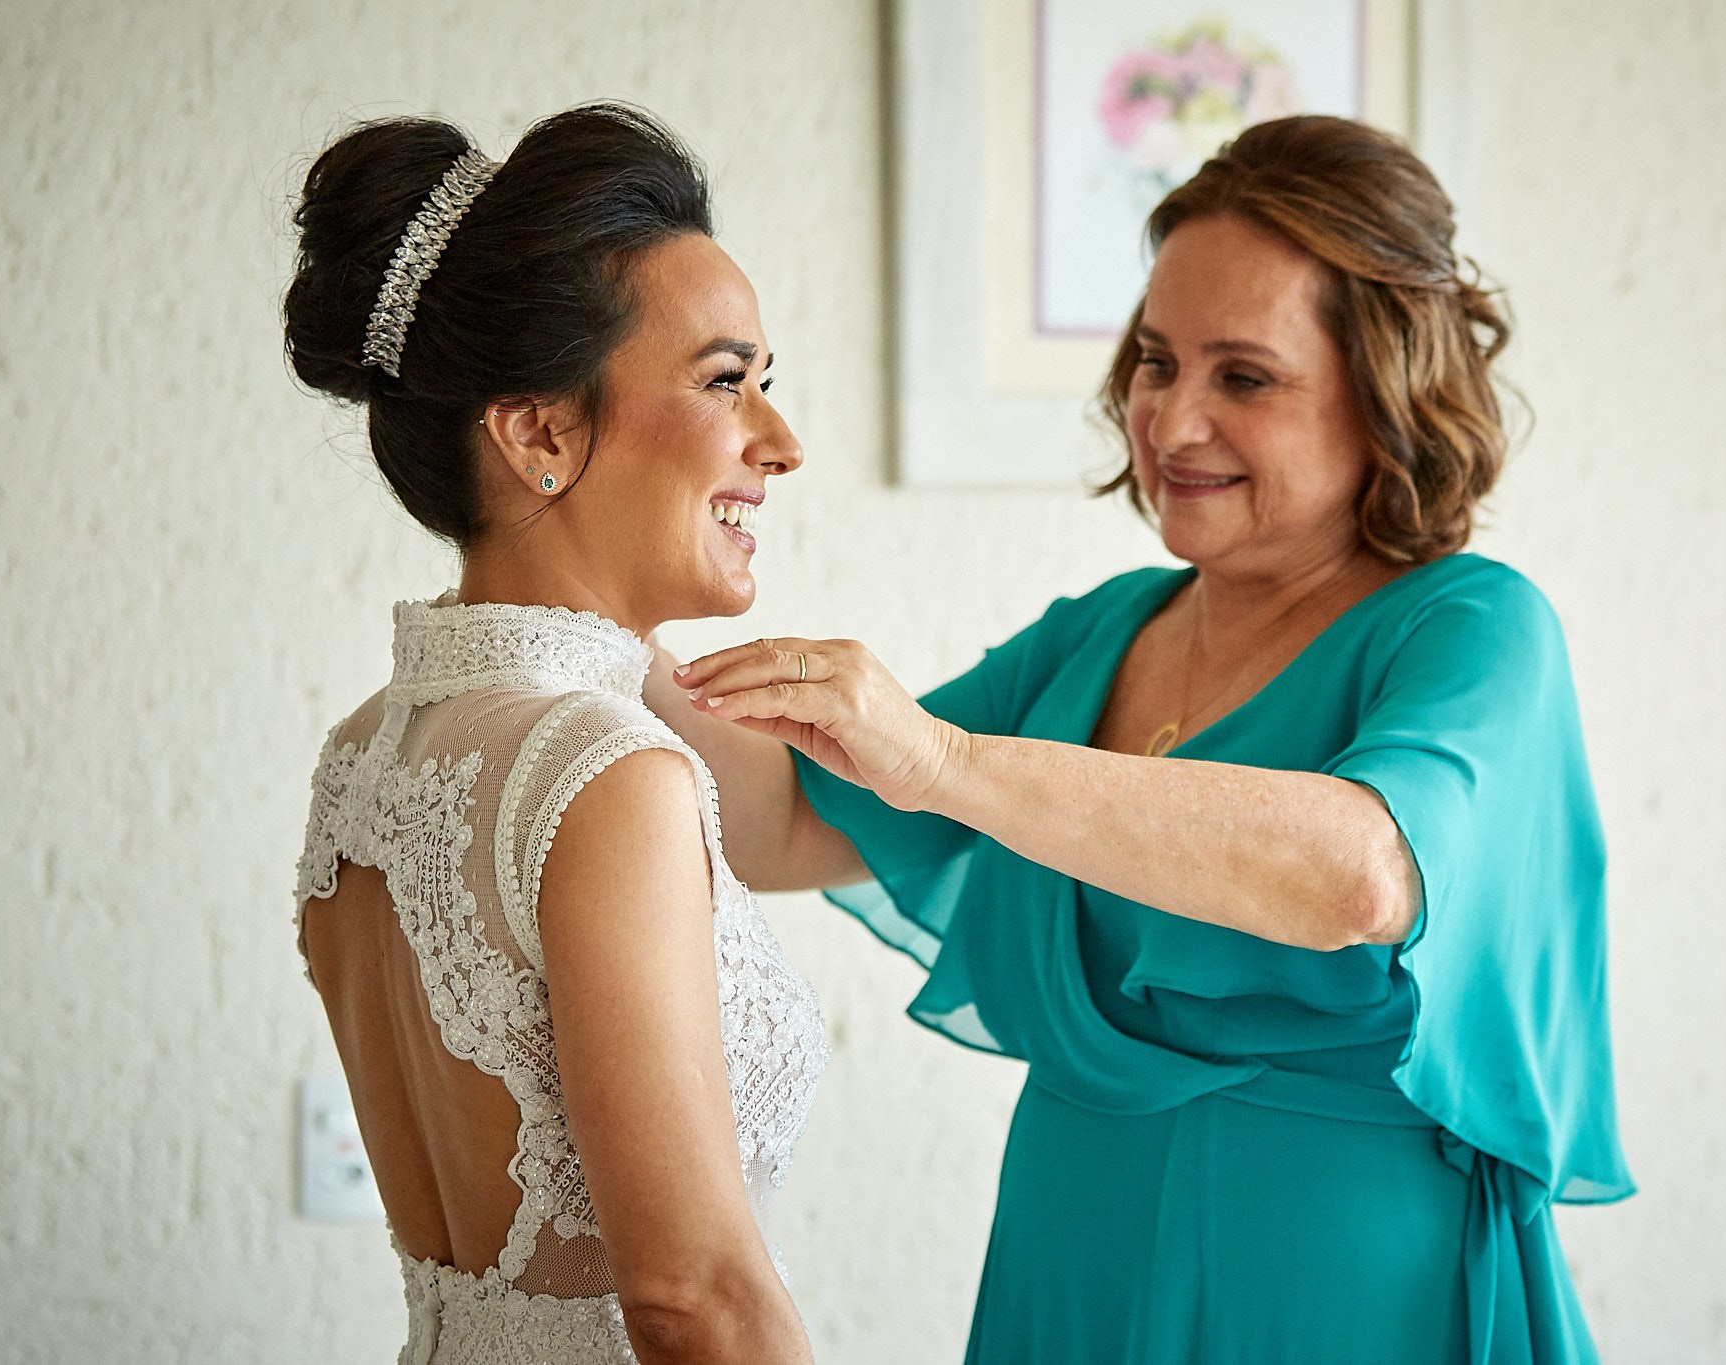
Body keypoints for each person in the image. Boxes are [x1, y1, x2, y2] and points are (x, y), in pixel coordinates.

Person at [662, 115, 1634, 1364]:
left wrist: (949, 765)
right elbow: (788, 820)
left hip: (1339, 1288)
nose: (1170, 424)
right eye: (1155, 362)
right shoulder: (1100, 635)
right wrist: (576, 607)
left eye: (1244, 375)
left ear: (1383, 390)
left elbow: (1363, 874)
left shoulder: (1473, 627)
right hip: (1073, 1247)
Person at [284, 103, 825, 1364]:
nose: (780, 444)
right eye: (724, 381)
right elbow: (692, 1296)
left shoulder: (366, 754)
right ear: (538, 432)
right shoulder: (607, 776)